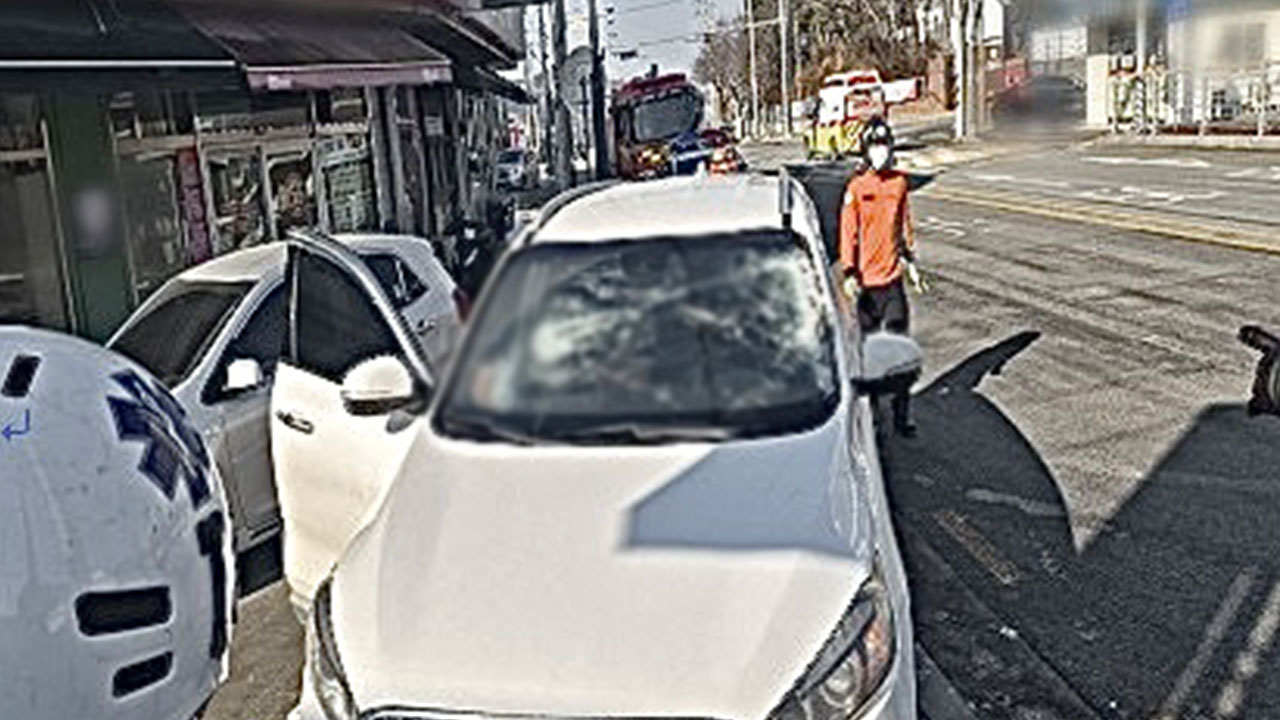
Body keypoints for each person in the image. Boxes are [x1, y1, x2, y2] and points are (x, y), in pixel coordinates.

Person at [839, 116, 926, 437]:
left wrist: (910, 259)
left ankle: (902, 417)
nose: (880, 151)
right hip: (866, 287)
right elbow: (848, 234)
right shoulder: (856, 188)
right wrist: (849, 271)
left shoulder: (900, 183)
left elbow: (904, 224)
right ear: (865, 150)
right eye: (874, 145)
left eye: (884, 145)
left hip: (892, 283)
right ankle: (872, 415)